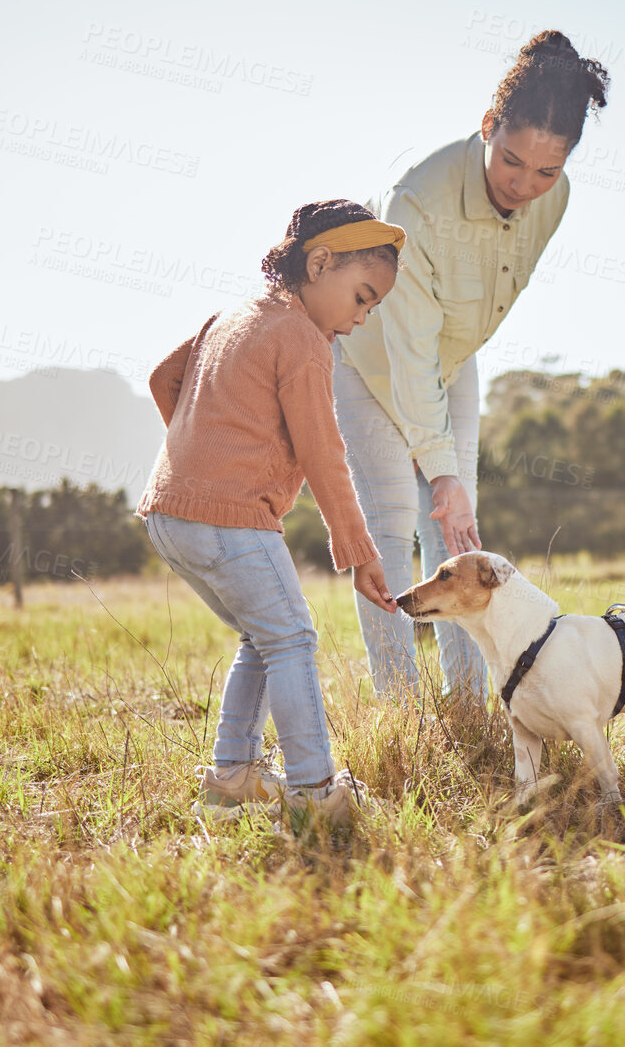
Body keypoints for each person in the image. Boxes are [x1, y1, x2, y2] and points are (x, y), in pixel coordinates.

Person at [335, 31, 610, 702]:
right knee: (393, 528)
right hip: (369, 360)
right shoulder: (416, 203)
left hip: (452, 359)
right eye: (511, 161)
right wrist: (439, 467)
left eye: (545, 172)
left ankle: (469, 703)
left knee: (457, 527)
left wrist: (451, 481)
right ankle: (401, 709)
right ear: (487, 126)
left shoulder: (554, 195)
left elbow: (467, 321)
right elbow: (406, 353)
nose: (524, 186)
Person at [137, 199, 403, 826]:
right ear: (319, 263)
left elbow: (161, 379)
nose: (363, 317)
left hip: (168, 515)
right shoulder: (303, 341)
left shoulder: (232, 317)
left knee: (264, 634)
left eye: (372, 307)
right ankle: (315, 793)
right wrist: (360, 551)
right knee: (292, 638)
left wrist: (200, 455)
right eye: (362, 297)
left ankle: (232, 775)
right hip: (228, 519)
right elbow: (323, 453)